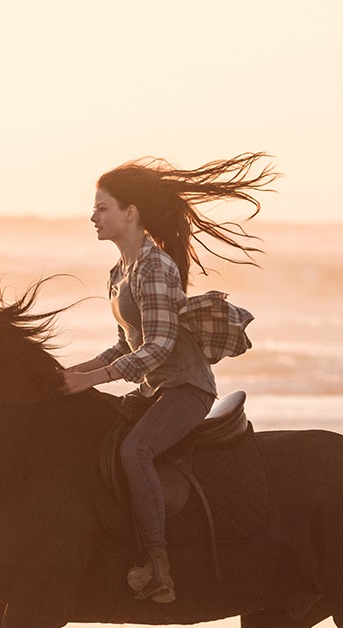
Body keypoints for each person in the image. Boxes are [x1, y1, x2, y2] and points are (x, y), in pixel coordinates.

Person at [61, 153, 276, 604]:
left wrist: (95, 379)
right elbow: (126, 344)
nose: (93, 217)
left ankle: (160, 568)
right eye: (95, 208)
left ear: (130, 213)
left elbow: (158, 345)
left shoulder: (155, 267)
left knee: (135, 450)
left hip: (185, 389)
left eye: (102, 208)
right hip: (152, 388)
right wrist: (71, 373)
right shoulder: (120, 272)